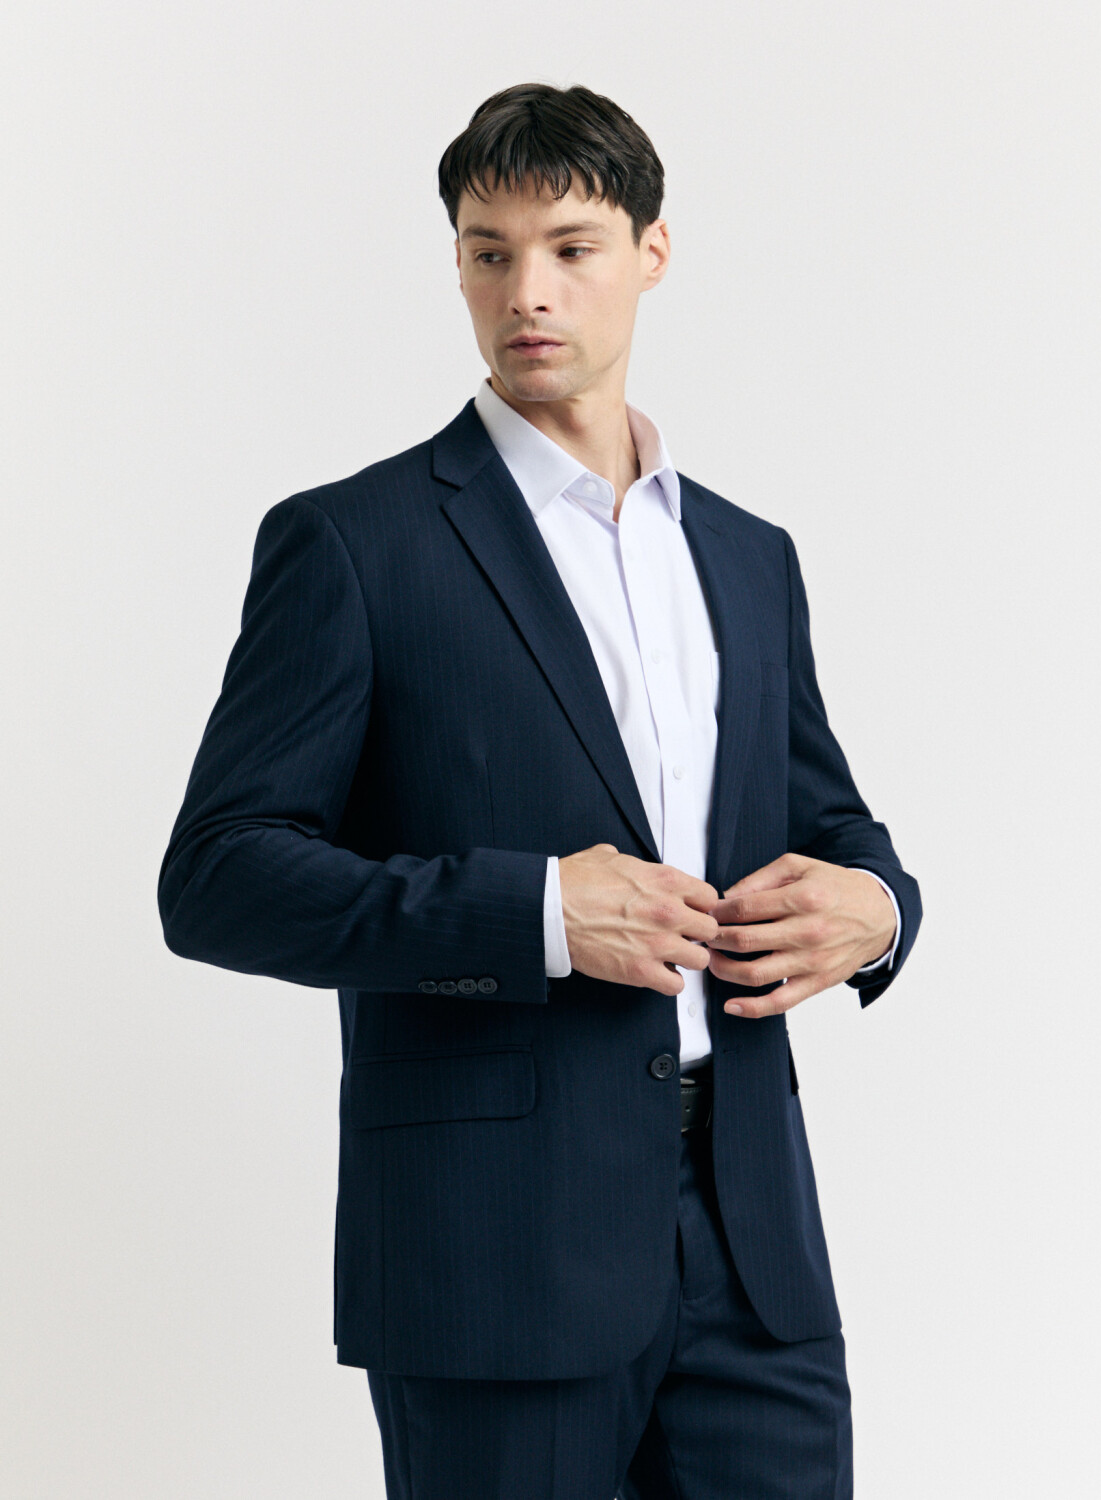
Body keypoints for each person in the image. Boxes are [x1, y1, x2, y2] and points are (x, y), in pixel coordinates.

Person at [159, 82, 921, 1500]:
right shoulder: (354, 544)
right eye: (489, 251)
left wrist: (877, 908)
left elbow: (828, 822)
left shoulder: (746, 556)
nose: (528, 292)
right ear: (456, 264)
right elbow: (217, 876)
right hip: (493, 1249)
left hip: (753, 1239)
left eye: (571, 247)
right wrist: (539, 917)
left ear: (651, 252)